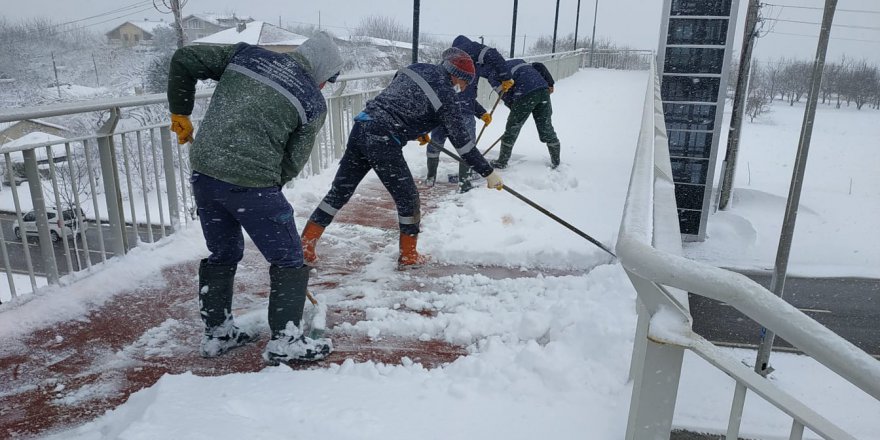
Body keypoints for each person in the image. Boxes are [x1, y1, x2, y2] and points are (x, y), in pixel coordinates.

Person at [166, 31, 344, 364]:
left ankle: (218, 333)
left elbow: (185, 59)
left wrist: (181, 111)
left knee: (224, 252)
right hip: (253, 185)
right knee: (289, 259)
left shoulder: (247, 55)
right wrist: (264, 189)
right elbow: (292, 161)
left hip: (205, 174)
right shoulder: (312, 102)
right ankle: (286, 341)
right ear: (321, 71)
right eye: (327, 81)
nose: (324, 87)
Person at [300, 47, 504, 269]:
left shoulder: (416, 68)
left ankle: (306, 245)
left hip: (363, 127)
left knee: (340, 190)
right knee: (408, 199)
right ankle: (408, 255)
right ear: (458, 75)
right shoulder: (446, 94)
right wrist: (488, 172)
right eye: (464, 82)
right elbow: (463, 145)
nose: (462, 87)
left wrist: (415, 128)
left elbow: (403, 96)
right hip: (383, 140)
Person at [425, 35, 515, 193]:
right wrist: (505, 76)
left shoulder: (447, 69)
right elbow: (467, 99)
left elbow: (465, 97)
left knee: (436, 142)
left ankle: (430, 177)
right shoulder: (470, 62)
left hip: (442, 110)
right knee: (467, 146)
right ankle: (464, 183)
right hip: (463, 112)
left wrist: (481, 114)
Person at [487, 59, 561, 169]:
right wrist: (550, 83)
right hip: (543, 90)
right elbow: (538, 65)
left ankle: (502, 162)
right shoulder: (518, 61)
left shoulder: (493, 75)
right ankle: (556, 161)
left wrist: (515, 110)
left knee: (512, 128)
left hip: (524, 92)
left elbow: (505, 95)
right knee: (545, 126)